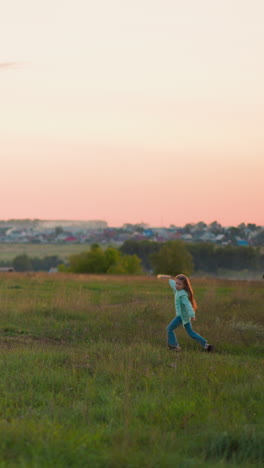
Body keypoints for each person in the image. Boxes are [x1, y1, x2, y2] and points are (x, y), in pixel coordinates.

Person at [165, 274, 214, 352]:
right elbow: (172, 283)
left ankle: (174, 347)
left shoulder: (182, 295)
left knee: (169, 329)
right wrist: (168, 278)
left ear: (184, 286)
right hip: (185, 316)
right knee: (191, 333)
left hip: (181, 316)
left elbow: (188, 305)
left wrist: (192, 315)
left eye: (179, 284)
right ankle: (206, 345)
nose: (177, 285)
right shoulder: (177, 289)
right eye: (176, 283)